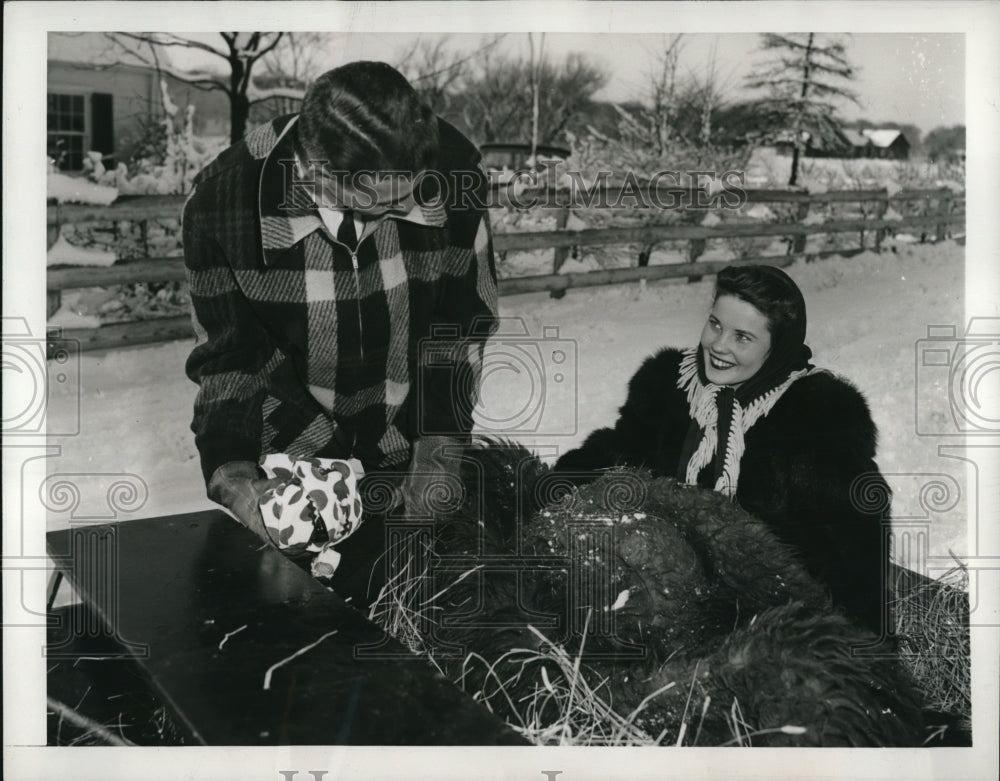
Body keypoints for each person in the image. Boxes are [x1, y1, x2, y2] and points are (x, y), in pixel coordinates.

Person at [182, 62, 498, 599]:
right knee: (302, 633)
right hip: (297, 453)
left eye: (413, 191)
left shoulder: (452, 169)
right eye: (386, 201)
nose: (409, 208)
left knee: (425, 612)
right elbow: (230, 358)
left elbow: (459, 324)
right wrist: (231, 468)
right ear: (321, 174)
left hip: (407, 434)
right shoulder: (223, 202)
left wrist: (440, 443)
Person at [552, 265, 892, 635]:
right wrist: (552, 491)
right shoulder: (670, 386)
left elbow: (857, 544)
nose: (719, 345)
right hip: (662, 589)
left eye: (742, 337)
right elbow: (618, 453)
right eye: (715, 324)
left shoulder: (814, 424)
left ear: (777, 348)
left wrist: (859, 647)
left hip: (760, 618)